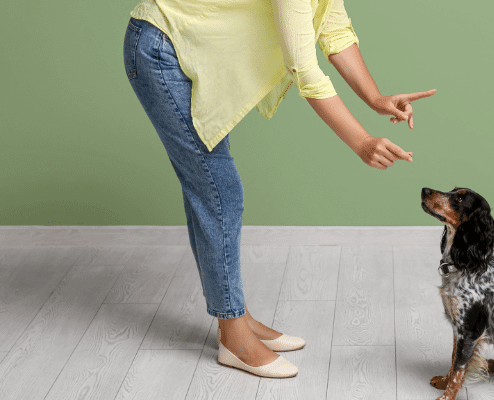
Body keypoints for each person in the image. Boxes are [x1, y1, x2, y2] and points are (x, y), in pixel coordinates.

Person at [123, 0, 436, 378]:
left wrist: (376, 98)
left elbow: (333, 28)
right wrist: (362, 141)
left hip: (181, 43)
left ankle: (235, 315)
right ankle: (232, 335)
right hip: (161, 49)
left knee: (210, 189)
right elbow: (302, 67)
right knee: (219, 191)